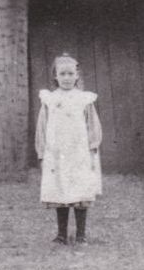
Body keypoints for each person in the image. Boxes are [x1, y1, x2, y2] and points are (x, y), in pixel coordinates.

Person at [35, 53, 102, 245]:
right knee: (60, 190)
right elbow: (42, 127)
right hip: (56, 154)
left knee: (80, 189)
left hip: (79, 152)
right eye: (62, 74)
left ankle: (81, 234)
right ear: (55, 76)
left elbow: (93, 125)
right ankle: (61, 234)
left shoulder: (84, 100)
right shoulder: (49, 99)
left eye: (70, 74)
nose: (66, 78)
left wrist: (92, 148)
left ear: (77, 76)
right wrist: (42, 153)